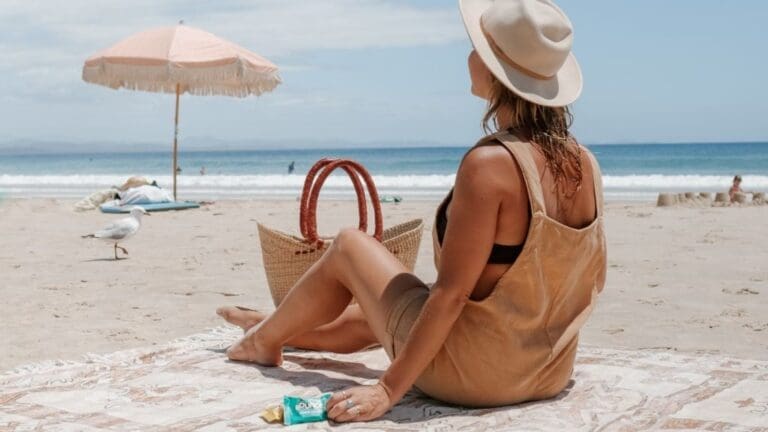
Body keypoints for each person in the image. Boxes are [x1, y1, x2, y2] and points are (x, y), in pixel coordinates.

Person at [217, 0, 605, 422]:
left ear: (497, 72)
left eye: (478, 48)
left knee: (349, 245)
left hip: (477, 378)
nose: (469, 56)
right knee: (380, 314)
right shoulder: (585, 162)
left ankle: (262, 339)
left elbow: (451, 295)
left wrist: (386, 389)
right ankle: (272, 326)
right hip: (546, 370)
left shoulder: (490, 165)